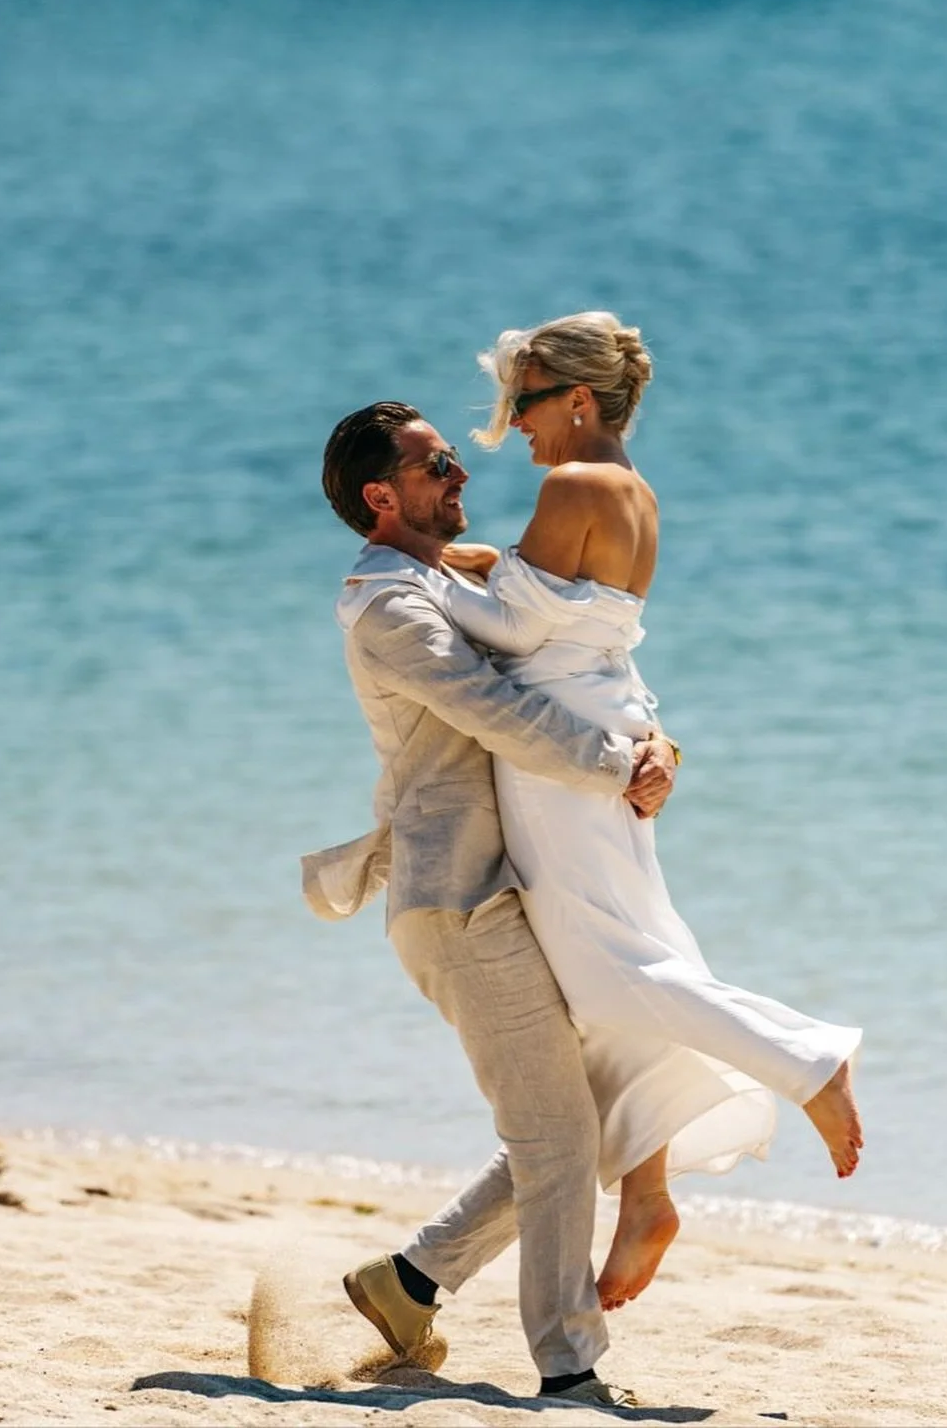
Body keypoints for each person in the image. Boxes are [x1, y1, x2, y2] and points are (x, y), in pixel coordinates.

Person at [433, 310, 864, 1313]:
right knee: (628, 958)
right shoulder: (632, 491)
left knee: (607, 970)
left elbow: (508, 631)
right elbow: (582, 630)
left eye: (523, 402)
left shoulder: (573, 484)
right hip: (610, 735)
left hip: (566, 765)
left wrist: (410, 559)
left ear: (576, 400)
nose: (514, 423)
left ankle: (810, 1061)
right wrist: (658, 739)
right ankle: (648, 1193)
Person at [303, 400, 680, 1409]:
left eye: (454, 461)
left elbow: (574, 654)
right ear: (382, 496)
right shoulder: (387, 605)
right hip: (455, 897)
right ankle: (569, 1369)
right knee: (557, 1137)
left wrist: (654, 742)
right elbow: (498, 711)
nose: (459, 475)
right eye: (435, 467)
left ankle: (412, 1281)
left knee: (578, 1121)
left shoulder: (445, 576)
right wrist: (618, 765)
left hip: (512, 887)